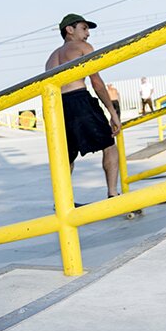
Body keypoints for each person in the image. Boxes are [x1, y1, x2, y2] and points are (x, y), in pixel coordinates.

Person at [45, 14, 122, 199]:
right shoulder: (83, 47)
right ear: (69, 30)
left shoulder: (51, 58)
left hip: (58, 107)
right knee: (109, 145)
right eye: (84, 28)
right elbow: (96, 82)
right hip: (80, 100)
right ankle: (112, 193)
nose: (88, 34)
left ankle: (63, 202)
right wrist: (112, 112)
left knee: (66, 157)